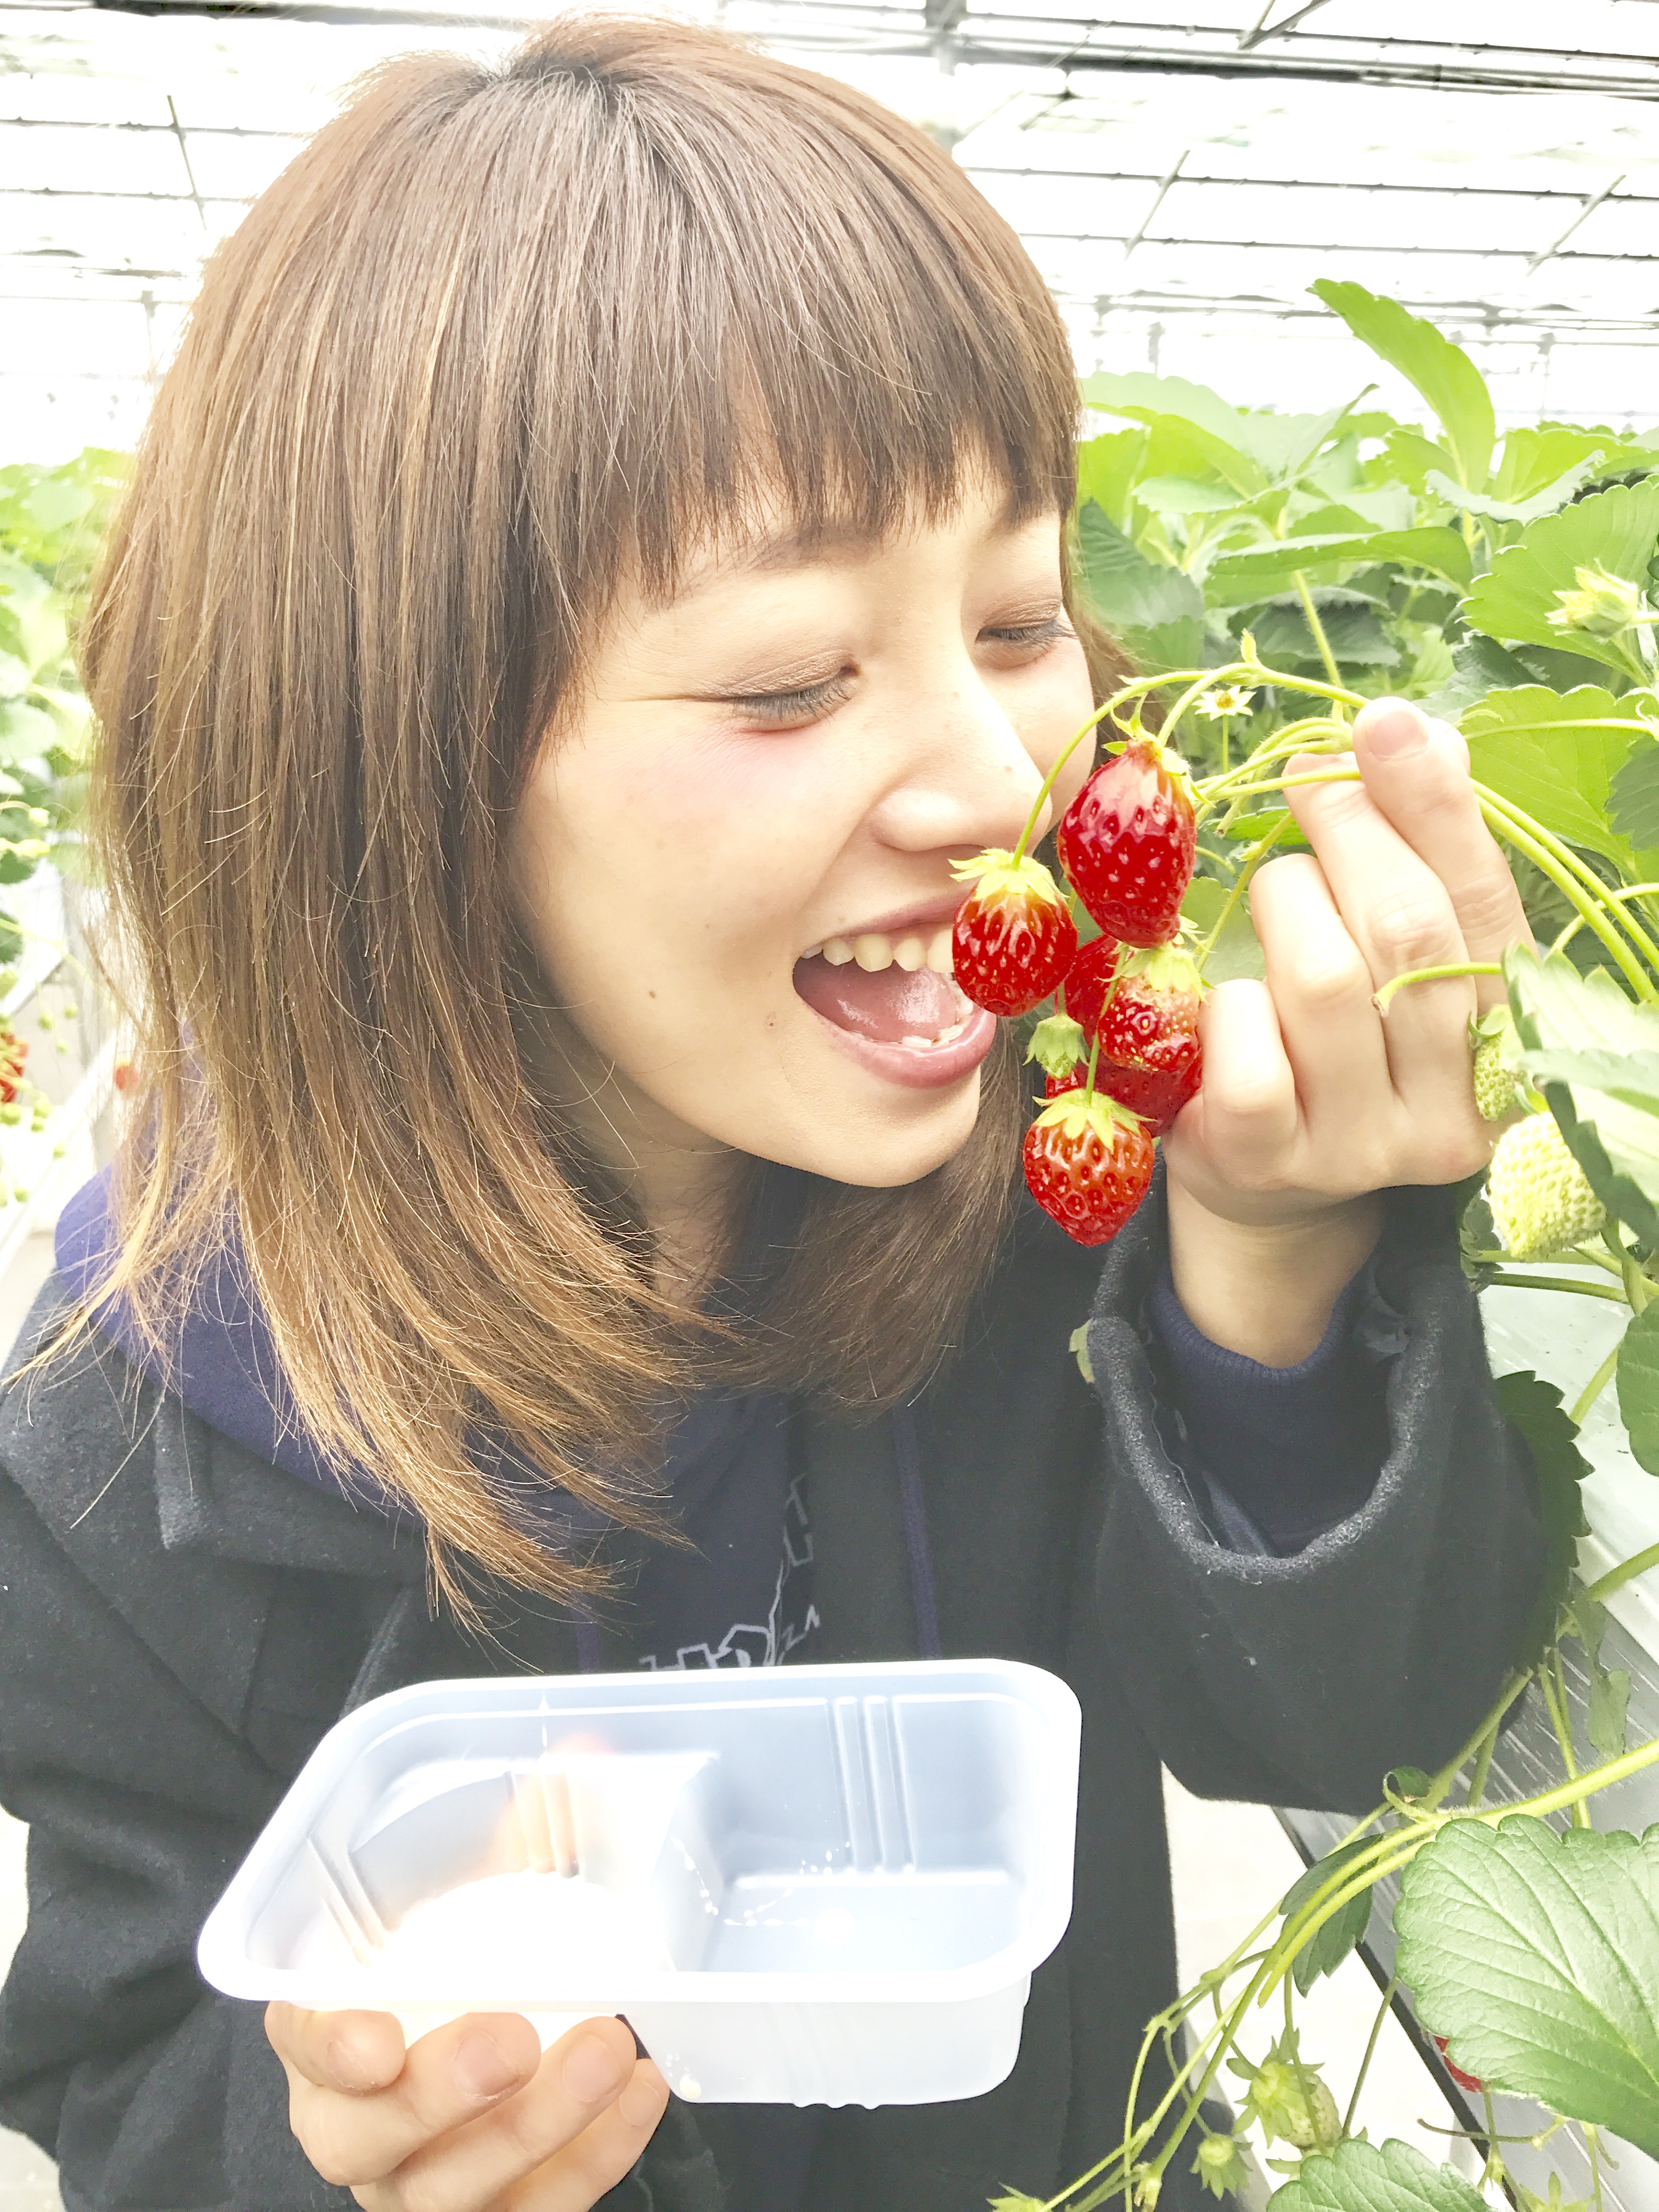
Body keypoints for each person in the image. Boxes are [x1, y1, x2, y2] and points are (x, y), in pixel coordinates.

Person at [0, 16, 1544, 2211]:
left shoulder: (1041, 1198)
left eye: (1018, 618)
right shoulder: (128, 1449)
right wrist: (340, 2133)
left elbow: (1335, 1736)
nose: (1006, 776)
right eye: (789, 678)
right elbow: (121, 2072)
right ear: (391, 761)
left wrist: (1280, 1269)